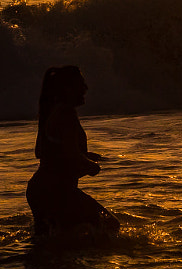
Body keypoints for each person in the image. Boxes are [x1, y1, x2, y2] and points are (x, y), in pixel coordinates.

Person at [27, 65, 120, 236]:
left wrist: (84, 156)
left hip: (39, 189)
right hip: (56, 190)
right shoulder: (66, 114)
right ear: (67, 89)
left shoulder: (51, 112)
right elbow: (72, 157)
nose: (85, 89)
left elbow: (42, 153)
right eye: (80, 84)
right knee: (110, 224)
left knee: (51, 245)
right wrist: (91, 166)